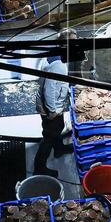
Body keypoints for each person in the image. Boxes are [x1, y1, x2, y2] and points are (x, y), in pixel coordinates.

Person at [34, 29, 77, 177]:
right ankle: (39, 167)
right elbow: (49, 90)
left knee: (57, 127)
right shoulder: (57, 64)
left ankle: (59, 149)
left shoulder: (56, 55)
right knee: (49, 136)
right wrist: (52, 110)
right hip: (50, 106)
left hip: (52, 104)